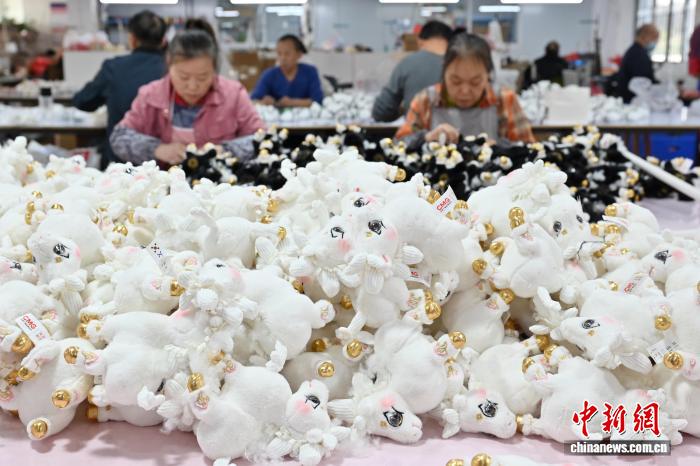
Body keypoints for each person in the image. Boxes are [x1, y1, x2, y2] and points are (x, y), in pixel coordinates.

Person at [110, 30, 263, 166]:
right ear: (169, 65)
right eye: (184, 77)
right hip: (165, 183)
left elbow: (262, 139)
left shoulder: (233, 94)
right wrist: (156, 149)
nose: (192, 86)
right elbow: (119, 137)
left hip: (221, 182)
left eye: (202, 77)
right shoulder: (151, 95)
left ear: (214, 70)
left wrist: (225, 150)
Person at [395, 32, 534, 147]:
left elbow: (530, 150)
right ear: (444, 71)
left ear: (488, 74)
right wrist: (426, 138)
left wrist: (500, 148)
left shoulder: (504, 100)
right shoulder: (426, 100)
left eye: (475, 82)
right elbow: (397, 145)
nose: (465, 91)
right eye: (455, 81)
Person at [73, 10, 167, 167]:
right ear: (164, 41)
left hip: (121, 165)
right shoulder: (175, 72)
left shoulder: (114, 68)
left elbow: (83, 101)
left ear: (132, 39)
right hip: (164, 164)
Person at [372, 20, 453, 122]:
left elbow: (381, 112)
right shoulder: (461, 66)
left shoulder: (408, 63)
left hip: (416, 130)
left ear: (419, 41)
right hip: (457, 130)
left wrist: (405, 109)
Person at [250, 34, 323, 107]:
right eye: (279, 53)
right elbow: (253, 100)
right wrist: (263, 102)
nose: (283, 58)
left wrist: (292, 102)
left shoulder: (310, 72)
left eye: (287, 54)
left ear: (299, 54)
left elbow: (318, 100)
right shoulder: (269, 74)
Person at [618, 24, 659, 103]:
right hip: (632, 100)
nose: (655, 42)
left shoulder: (635, 51)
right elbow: (643, 81)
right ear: (645, 37)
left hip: (630, 98)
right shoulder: (638, 55)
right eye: (654, 39)